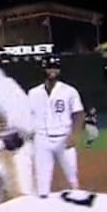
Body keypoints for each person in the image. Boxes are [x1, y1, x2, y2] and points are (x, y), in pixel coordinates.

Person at [27, 56, 84, 193]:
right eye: (49, 67)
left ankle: (76, 207)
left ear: (59, 70)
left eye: (55, 67)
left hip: (64, 138)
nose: (52, 70)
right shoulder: (33, 93)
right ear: (44, 69)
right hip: (41, 139)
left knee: (73, 180)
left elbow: (79, 114)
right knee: (42, 183)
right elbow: (27, 115)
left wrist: (74, 134)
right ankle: (44, 209)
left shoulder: (69, 91)